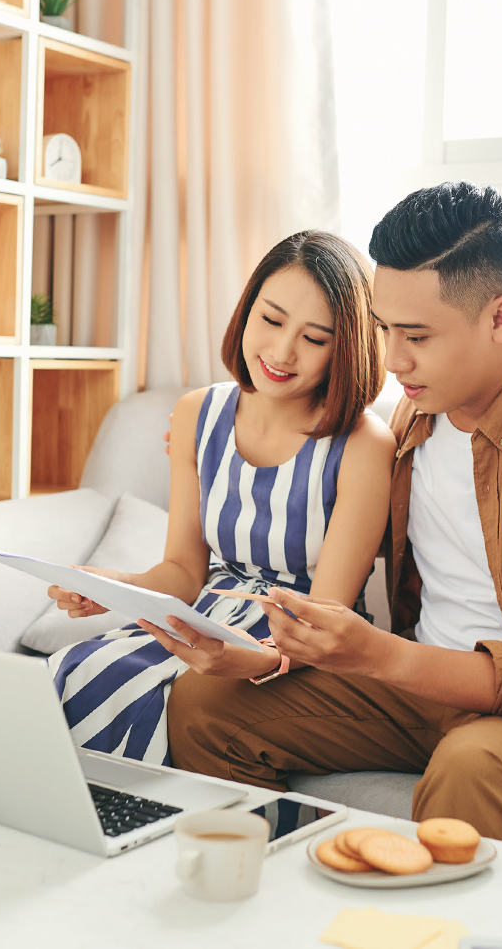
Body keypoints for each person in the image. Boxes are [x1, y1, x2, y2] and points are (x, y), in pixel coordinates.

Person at [165, 182, 502, 844]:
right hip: (423, 692)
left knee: (471, 767)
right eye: (385, 328)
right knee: (203, 705)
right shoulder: (415, 414)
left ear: (500, 318)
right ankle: (275, 902)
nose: (393, 360)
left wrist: (380, 655)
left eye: (416, 335)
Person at [45, 229, 396, 765]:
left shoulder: (363, 445)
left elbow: (323, 619)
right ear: (247, 310)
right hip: (204, 619)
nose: (281, 351)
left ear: (344, 347)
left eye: (315, 338)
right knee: (68, 672)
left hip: (297, 648)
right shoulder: (197, 414)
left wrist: (243, 658)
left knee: (156, 702)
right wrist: (117, 588)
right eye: (271, 320)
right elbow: (184, 571)